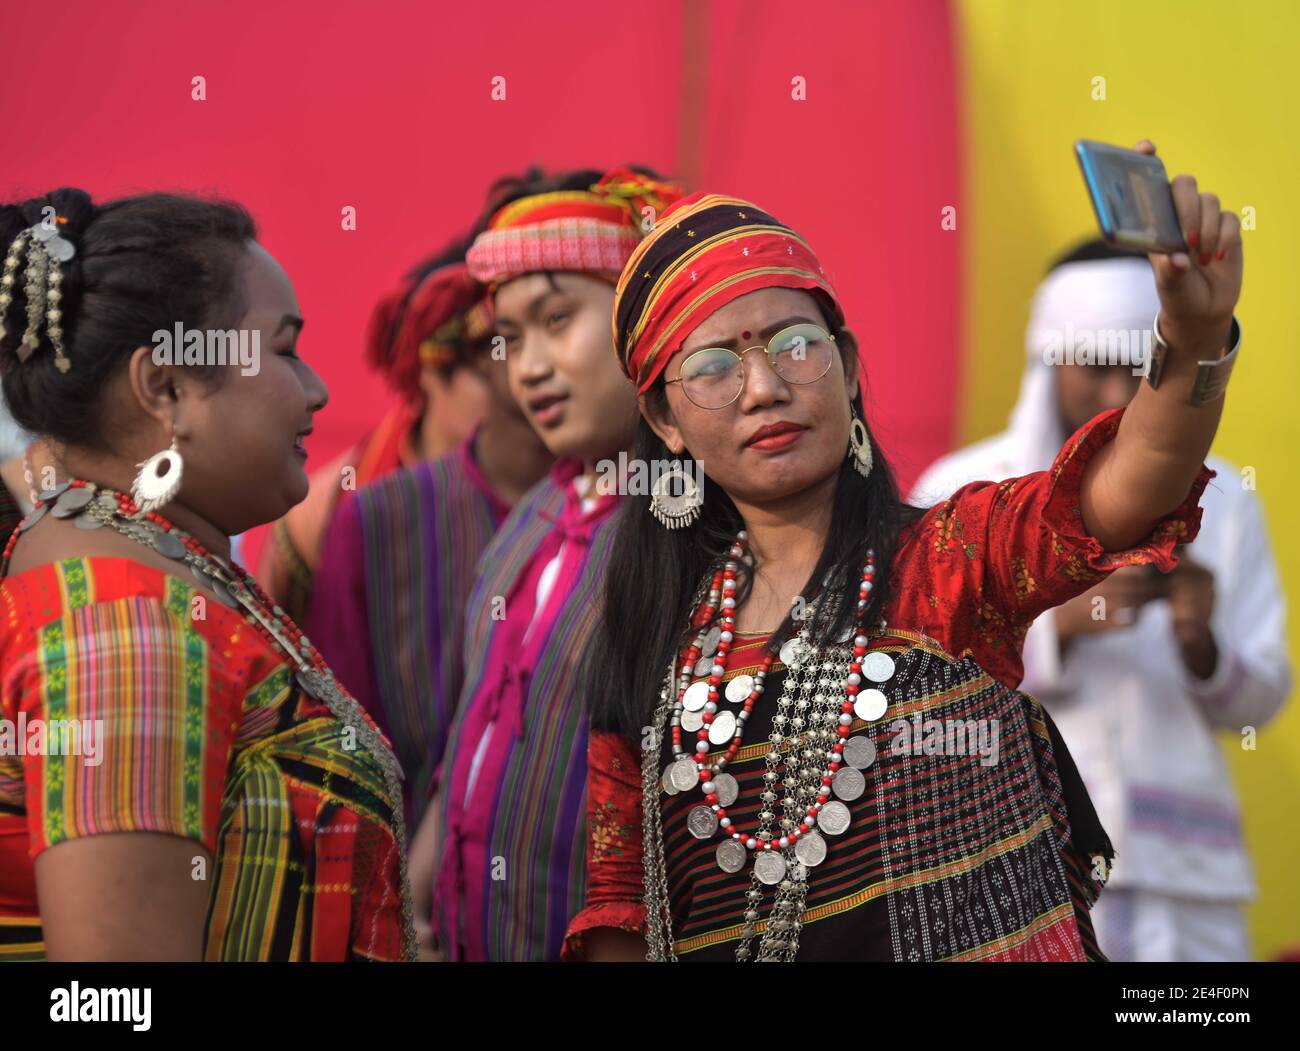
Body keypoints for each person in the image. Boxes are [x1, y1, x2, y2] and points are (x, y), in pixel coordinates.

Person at [564, 139, 1245, 962]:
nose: (764, 387)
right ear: (665, 422)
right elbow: (621, 910)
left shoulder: (949, 556)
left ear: (846, 366)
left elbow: (1129, 488)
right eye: (712, 366)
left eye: (793, 346)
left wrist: (1198, 332)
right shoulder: (652, 634)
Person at [0, 189, 412, 960]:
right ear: (166, 387)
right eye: (285, 349)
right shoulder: (126, 624)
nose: (317, 389)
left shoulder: (143, 570)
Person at [911, 238, 1289, 961]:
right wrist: (1064, 627)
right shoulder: (960, 490)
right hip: (1011, 861)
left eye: (1139, 368)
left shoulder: (1226, 496)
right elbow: (911, 679)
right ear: (1049, 359)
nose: (1118, 395)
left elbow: (1261, 701)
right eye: (1095, 366)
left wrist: (1199, 642)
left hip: (1185, 876)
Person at [418, 166, 684, 960]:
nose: (528, 366)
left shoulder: (690, 529)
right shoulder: (531, 518)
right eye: (511, 337)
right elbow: (469, 739)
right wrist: (414, 911)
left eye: (558, 319)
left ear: (640, 316)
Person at [307, 254, 554, 830]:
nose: (545, 363)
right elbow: (343, 740)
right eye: (512, 339)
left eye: (564, 324)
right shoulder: (377, 519)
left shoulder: (632, 509)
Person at [252, 239, 492, 623]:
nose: (516, 387)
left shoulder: (551, 491)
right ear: (430, 369)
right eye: (487, 372)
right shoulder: (323, 512)